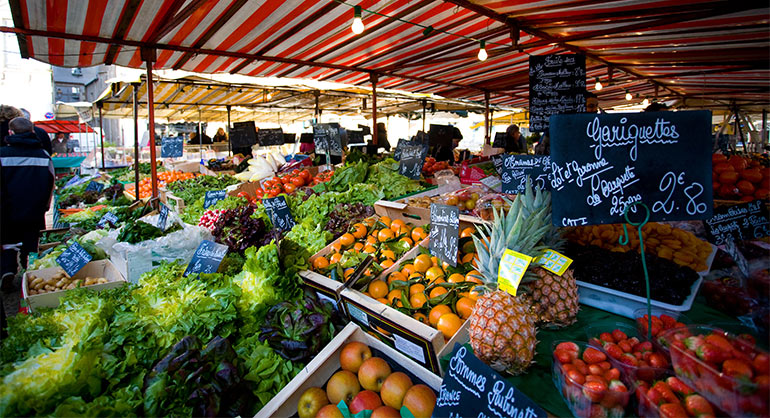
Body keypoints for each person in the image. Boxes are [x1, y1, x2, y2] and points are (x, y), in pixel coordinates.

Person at [1, 118, 54, 291]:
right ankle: (30, 273)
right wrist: (45, 207)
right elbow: (50, 184)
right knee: (31, 243)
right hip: (34, 210)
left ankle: (7, 272)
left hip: (7, 210)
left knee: (8, 242)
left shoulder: (2, 155)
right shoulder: (43, 156)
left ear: (11, 132)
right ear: (32, 131)